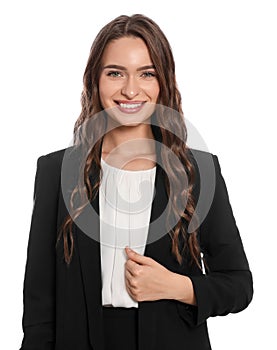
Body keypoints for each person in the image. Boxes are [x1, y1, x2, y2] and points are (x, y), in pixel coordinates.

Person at [19, 14, 253, 350]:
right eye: (115, 73)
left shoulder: (199, 172)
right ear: (94, 81)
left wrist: (175, 286)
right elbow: (39, 304)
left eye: (147, 74)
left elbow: (238, 285)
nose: (130, 89)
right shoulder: (56, 171)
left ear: (163, 83)